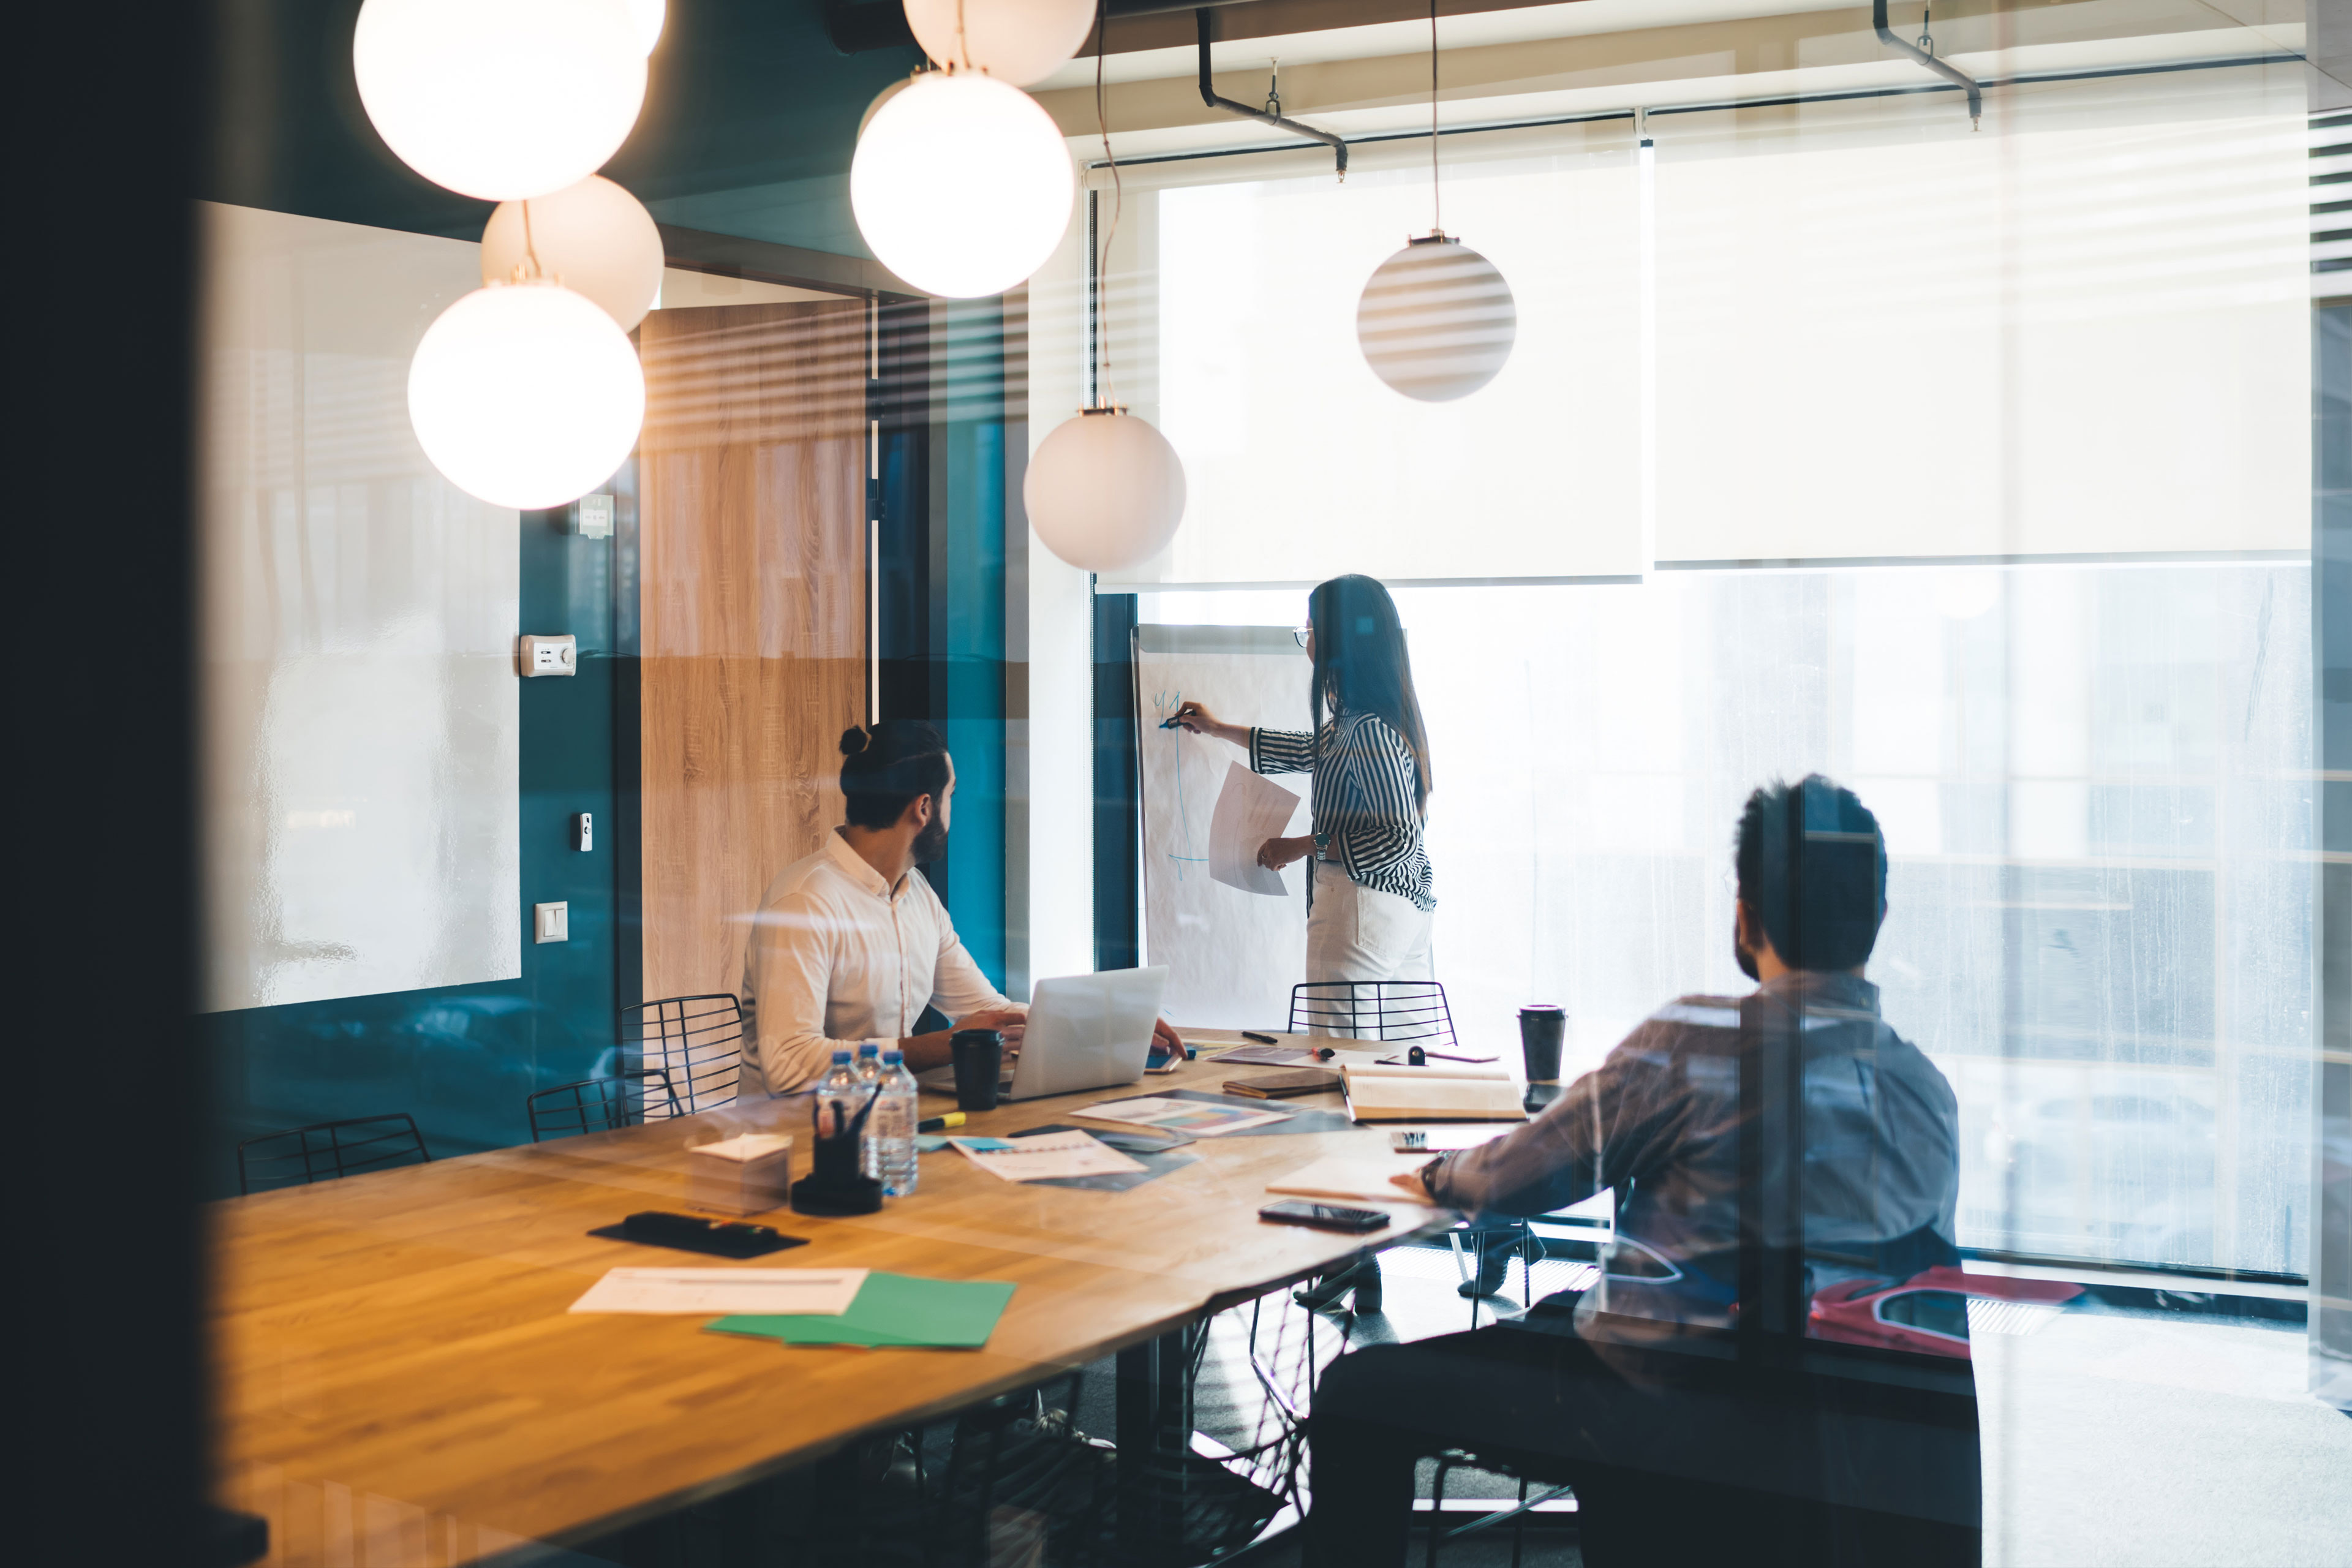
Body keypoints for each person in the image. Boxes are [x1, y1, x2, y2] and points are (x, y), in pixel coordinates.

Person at [1306, 777, 1976, 1568]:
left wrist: (1440, 1174)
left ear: (1745, 912)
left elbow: (1509, 1185)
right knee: (1571, 1306)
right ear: (1877, 919)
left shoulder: (1698, 1045)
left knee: (1356, 1396)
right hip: (1827, 1453)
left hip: (1653, 1413)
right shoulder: (1926, 1095)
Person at [1174, 574, 1439, 1311]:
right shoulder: (1378, 721)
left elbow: (1388, 825)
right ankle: (1366, 1246)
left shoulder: (1363, 728)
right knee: (1389, 1080)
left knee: (1341, 1081)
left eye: (1312, 631)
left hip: (1359, 910)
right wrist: (1221, 729)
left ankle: (1350, 1250)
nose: (1309, 644)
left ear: (1341, 640)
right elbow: (1310, 751)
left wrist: (1300, 843)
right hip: (1403, 910)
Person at [739, 721, 1182, 1096]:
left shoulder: (916, 897)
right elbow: (790, 1065)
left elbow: (991, 1013)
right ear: (925, 809)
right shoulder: (805, 902)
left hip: (882, 1125)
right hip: (791, 1148)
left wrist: (1114, 1021)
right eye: (952, 796)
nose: (954, 813)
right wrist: (944, 1045)